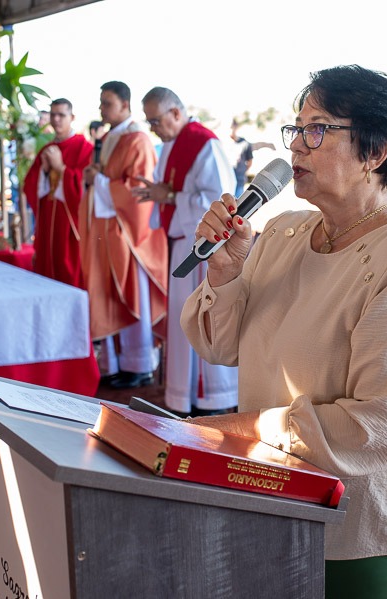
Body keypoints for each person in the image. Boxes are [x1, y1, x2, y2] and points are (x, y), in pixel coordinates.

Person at [180, 65, 387, 598]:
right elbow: (219, 346)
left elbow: (374, 427)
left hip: (362, 537)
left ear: (377, 153)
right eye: (296, 128)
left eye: (319, 129)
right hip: (271, 506)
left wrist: (236, 431)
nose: (297, 147)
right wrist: (226, 272)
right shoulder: (281, 234)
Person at [137, 87, 238, 416]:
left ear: (176, 113)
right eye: (149, 121)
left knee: (201, 316)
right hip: (181, 243)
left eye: (156, 120)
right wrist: (161, 195)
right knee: (186, 316)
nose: (153, 127)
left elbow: (221, 200)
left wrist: (169, 198)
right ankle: (185, 398)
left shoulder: (202, 143)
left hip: (204, 246)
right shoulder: (171, 145)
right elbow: (168, 191)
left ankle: (213, 397)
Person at [79, 81, 168, 388]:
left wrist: (100, 181)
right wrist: (96, 179)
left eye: (107, 103)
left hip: (129, 233)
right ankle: (114, 363)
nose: (102, 109)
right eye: (101, 103)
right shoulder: (108, 138)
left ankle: (140, 365)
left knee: (132, 295)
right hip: (108, 229)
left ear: (125, 105)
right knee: (109, 296)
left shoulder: (138, 140)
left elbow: (138, 190)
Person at [21, 98, 93, 286]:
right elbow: (30, 185)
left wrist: (61, 169)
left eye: (61, 115)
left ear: (72, 117)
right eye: (53, 115)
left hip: (69, 225)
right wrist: (43, 172)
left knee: (68, 274)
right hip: (47, 223)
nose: (56, 119)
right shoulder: (46, 149)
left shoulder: (84, 148)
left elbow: (88, 186)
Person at [228, 118, 276, 197]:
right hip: (226, 179)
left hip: (239, 179)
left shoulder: (244, 143)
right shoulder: (223, 143)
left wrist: (242, 170)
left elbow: (250, 161)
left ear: (235, 127)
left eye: (231, 127)